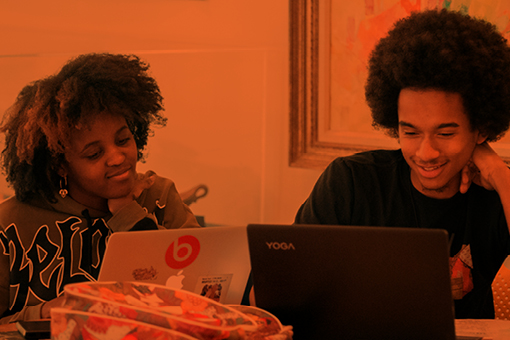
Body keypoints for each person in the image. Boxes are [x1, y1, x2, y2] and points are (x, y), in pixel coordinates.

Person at [295, 9, 510, 319]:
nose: (426, 152)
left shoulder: (495, 194)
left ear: (482, 129)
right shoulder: (352, 182)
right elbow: (268, 293)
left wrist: (499, 172)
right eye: (410, 132)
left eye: (445, 132)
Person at [0, 53, 201, 324]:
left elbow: (204, 293)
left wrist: (128, 214)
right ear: (61, 165)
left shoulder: (159, 196)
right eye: (94, 154)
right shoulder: (11, 224)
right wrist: (45, 312)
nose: (118, 157)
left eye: (123, 139)